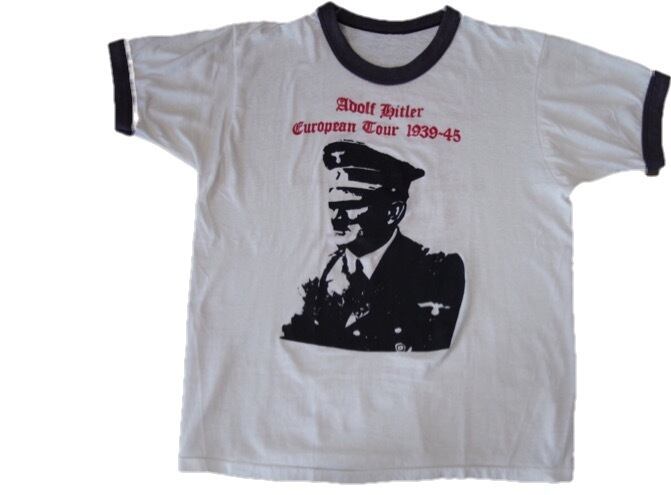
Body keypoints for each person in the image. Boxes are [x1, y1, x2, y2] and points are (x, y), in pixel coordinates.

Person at [281, 139, 465, 351]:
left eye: (350, 205)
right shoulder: (316, 271)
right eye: (333, 205)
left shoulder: (437, 272)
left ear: (393, 212)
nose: (336, 217)